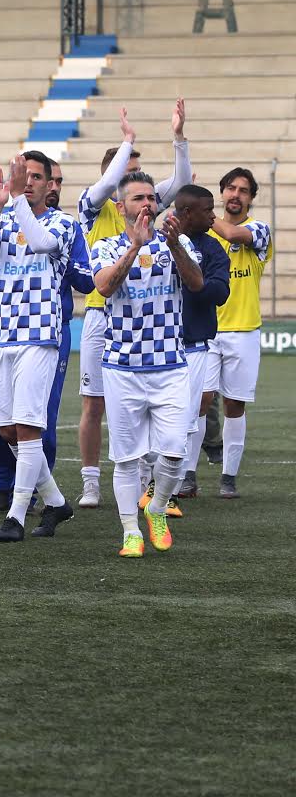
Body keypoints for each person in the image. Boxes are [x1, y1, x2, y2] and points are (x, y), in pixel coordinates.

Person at [75, 102, 191, 507]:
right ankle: (91, 481)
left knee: (140, 406)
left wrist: (179, 138)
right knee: (94, 404)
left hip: (146, 317)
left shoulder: (146, 202)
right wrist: (127, 143)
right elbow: (108, 184)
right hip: (99, 312)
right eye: (128, 175)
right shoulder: (92, 205)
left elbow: (182, 181)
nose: (142, 188)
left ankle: (147, 487)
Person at [0, 154, 87, 542]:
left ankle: (16, 516)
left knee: (28, 426)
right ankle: (55, 501)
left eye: (36, 177)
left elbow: (39, 242)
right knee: (7, 431)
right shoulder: (4, 220)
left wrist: (16, 200)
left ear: (50, 184)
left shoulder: (64, 224)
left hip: (41, 336)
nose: (29, 182)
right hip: (3, 335)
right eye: (25, 176)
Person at [92, 170, 206, 557]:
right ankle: (130, 532)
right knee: (126, 458)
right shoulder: (106, 246)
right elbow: (104, 286)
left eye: (151, 198)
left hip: (171, 365)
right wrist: (133, 248)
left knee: (174, 451)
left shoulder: (179, 241)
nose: (147, 204)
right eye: (138, 198)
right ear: (120, 206)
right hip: (122, 368)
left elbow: (196, 284)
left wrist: (172, 245)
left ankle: (156, 510)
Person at [207, 166, 273, 499]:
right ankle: (186, 476)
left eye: (243, 190)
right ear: (222, 193)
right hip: (205, 330)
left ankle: (228, 477)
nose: (235, 194)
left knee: (234, 406)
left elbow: (234, 236)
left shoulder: (259, 230)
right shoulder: (203, 235)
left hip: (244, 331)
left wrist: (198, 213)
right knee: (198, 403)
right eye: (230, 188)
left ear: (251, 198)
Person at [170, 185, 230, 501]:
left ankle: (185, 476)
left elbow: (219, 293)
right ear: (188, 212)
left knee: (193, 413)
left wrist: (196, 284)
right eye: (208, 210)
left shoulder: (213, 249)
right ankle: (150, 481)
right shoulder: (157, 241)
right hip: (159, 346)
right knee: (157, 416)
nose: (213, 216)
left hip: (195, 343)